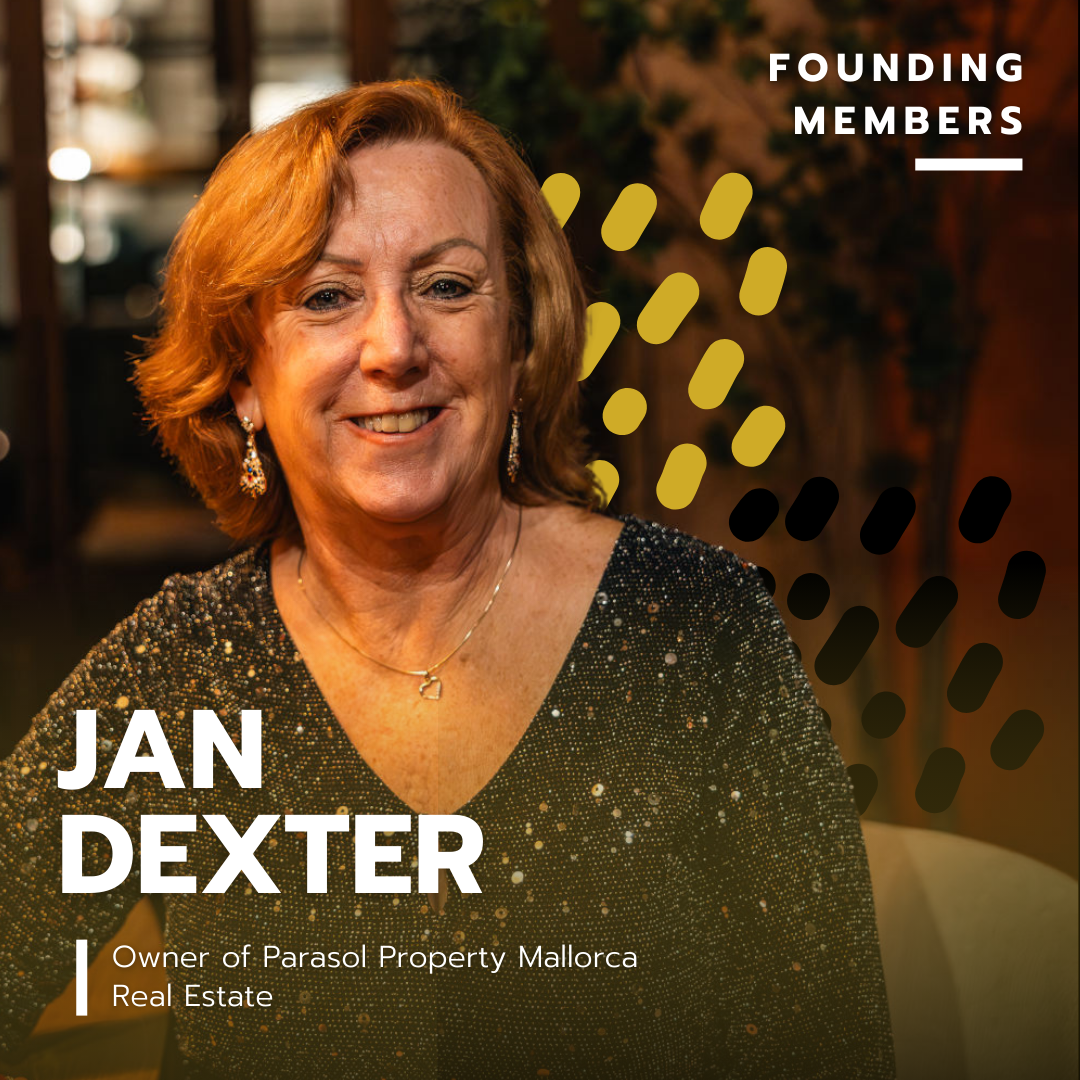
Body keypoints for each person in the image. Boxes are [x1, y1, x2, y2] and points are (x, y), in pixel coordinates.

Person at [0, 80, 895, 1078]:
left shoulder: (695, 629)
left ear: (518, 341)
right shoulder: (176, 673)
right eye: (328, 297)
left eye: (447, 286)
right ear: (244, 379)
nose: (394, 350)